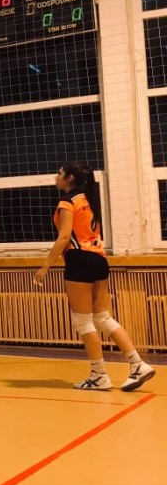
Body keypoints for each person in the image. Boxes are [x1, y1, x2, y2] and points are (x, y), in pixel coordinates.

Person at [34, 162, 155, 392]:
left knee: (83, 321)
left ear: (69, 178)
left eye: (59, 173)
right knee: (102, 317)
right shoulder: (89, 200)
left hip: (79, 260)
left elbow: (64, 237)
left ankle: (99, 375)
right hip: (99, 260)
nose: (56, 176)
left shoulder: (68, 202)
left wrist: (45, 266)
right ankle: (137, 364)